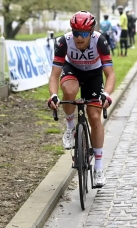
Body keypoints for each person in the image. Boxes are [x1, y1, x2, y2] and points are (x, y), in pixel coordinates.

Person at [48, 11, 116, 187]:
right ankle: (71, 128)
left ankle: (99, 168)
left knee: (94, 117)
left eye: (84, 33)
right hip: (73, 70)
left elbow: (110, 74)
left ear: (91, 33)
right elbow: (54, 76)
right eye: (76, 32)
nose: (79, 37)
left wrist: (107, 94)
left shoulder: (100, 41)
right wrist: (53, 95)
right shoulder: (64, 42)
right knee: (69, 92)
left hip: (94, 74)